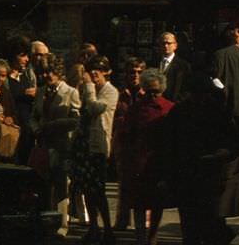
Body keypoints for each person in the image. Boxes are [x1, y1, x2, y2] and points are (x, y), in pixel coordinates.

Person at [166, 71, 239, 245]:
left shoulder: (189, 111)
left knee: (198, 225)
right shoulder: (211, 110)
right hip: (202, 173)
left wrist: (223, 153)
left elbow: (234, 142)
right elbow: (235, 141)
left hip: (200, 173)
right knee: (204, 223)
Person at [29, 53, 81, 239]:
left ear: (59, 73)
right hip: (44, 144)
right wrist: (35, 128)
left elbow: (76, 120)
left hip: (62, 144)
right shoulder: (41, 91)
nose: (48, 76)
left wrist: (57, 124)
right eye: (45, 72)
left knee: (61, 185)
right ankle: (46, 220)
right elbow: (34, 115)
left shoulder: (71, 92)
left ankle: (62, 223)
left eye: (51, 72)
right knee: (44, 182)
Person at [121, 68, 174, 245]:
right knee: (138, 203)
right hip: (138, 161)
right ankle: (140, 236)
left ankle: (152, 234)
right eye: (149, 91)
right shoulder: (136, 109)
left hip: (159, 162)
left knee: (157, 202)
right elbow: (126, 136)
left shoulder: (169, 108)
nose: (152, 96)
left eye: (156, 92)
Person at [71, 55, 119, 244]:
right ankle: (93, 227)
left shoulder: (111, 91)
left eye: (96, 74)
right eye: (90, 74)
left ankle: (107, 228)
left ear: (105, 73)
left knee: (98, 189)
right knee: (87, 188)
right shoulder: (88, 89)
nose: (93, 77)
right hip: (84, 144)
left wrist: (89, 88)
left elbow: (93, 108)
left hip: (98, 145)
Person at [112, 56, 146, 230]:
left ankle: (144, 221)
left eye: (139, 72)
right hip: (124, 143)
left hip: (142, 144)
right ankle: (122, 219)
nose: (135, 75)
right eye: (132, 72)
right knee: (124, 182)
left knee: (143, 182)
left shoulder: (146, 95)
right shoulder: (120, 95)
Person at [5, 36, 37, 163]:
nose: (26, 59)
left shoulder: (27, 76)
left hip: (27, 128)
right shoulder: (5, 78)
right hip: (12, 127)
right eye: (22, 55)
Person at [157, 32, 192, 103]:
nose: (166, 46)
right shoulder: (153, 63)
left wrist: (177, 103)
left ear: (175, 45)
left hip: (174, 106)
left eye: (169, 43)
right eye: (163, 43)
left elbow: (188, 88)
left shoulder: (184, 66)